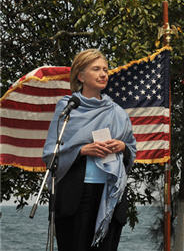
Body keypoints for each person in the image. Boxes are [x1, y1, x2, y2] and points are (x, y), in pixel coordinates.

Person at [42, 49, 136, 251]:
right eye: (96, 69)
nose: (103, 74)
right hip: (75, 197)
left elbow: (132, 151)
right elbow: (51, 154)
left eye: (105, 69)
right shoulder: (68, 108)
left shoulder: (118, 112)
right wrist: (83, 150)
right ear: (80, 75)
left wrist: (123, 148)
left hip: (109, 195)